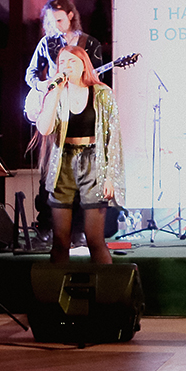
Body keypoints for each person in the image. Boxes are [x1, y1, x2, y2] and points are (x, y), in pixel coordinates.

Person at [34, 45, 124, 264]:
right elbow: (45, 129)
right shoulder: (56, 93)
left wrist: (110, 176)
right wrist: (54, 93)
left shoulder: (102, 93)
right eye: (62, 62)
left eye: (72, 61)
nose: (67, 65)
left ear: (84, 65)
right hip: (63, 161)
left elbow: (114, 137)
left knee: (95, 240)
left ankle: (105, 285)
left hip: (94, 161)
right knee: (60, 240)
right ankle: (58, 285)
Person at [25, 0, 104, 94]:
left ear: (70, 16)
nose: (56, 25)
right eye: (52, 21)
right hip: (54, 96)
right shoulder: (47, 42)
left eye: (59, 20)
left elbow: (98, 76)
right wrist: (40, 85)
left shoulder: (91, 43)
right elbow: (31, 72)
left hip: (80, 97)